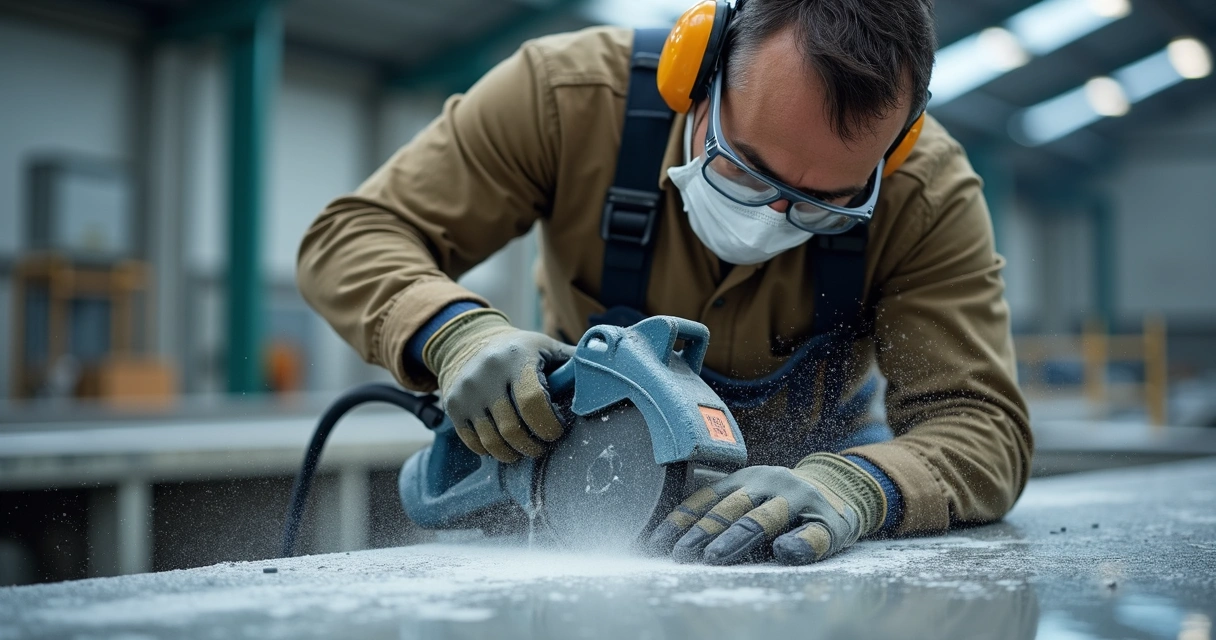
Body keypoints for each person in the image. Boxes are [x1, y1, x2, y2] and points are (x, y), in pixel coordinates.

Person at [297, 0, 1032, 566]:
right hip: (583, 482)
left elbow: (983, 427)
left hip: (808, 524)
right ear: (700, 71)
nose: (773, 214)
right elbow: (351, 236)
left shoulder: (926, 192)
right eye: (745, 166)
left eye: (825, 202)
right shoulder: (566, 98)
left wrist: (864, 489)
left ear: (895, 143)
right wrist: (452, 331)